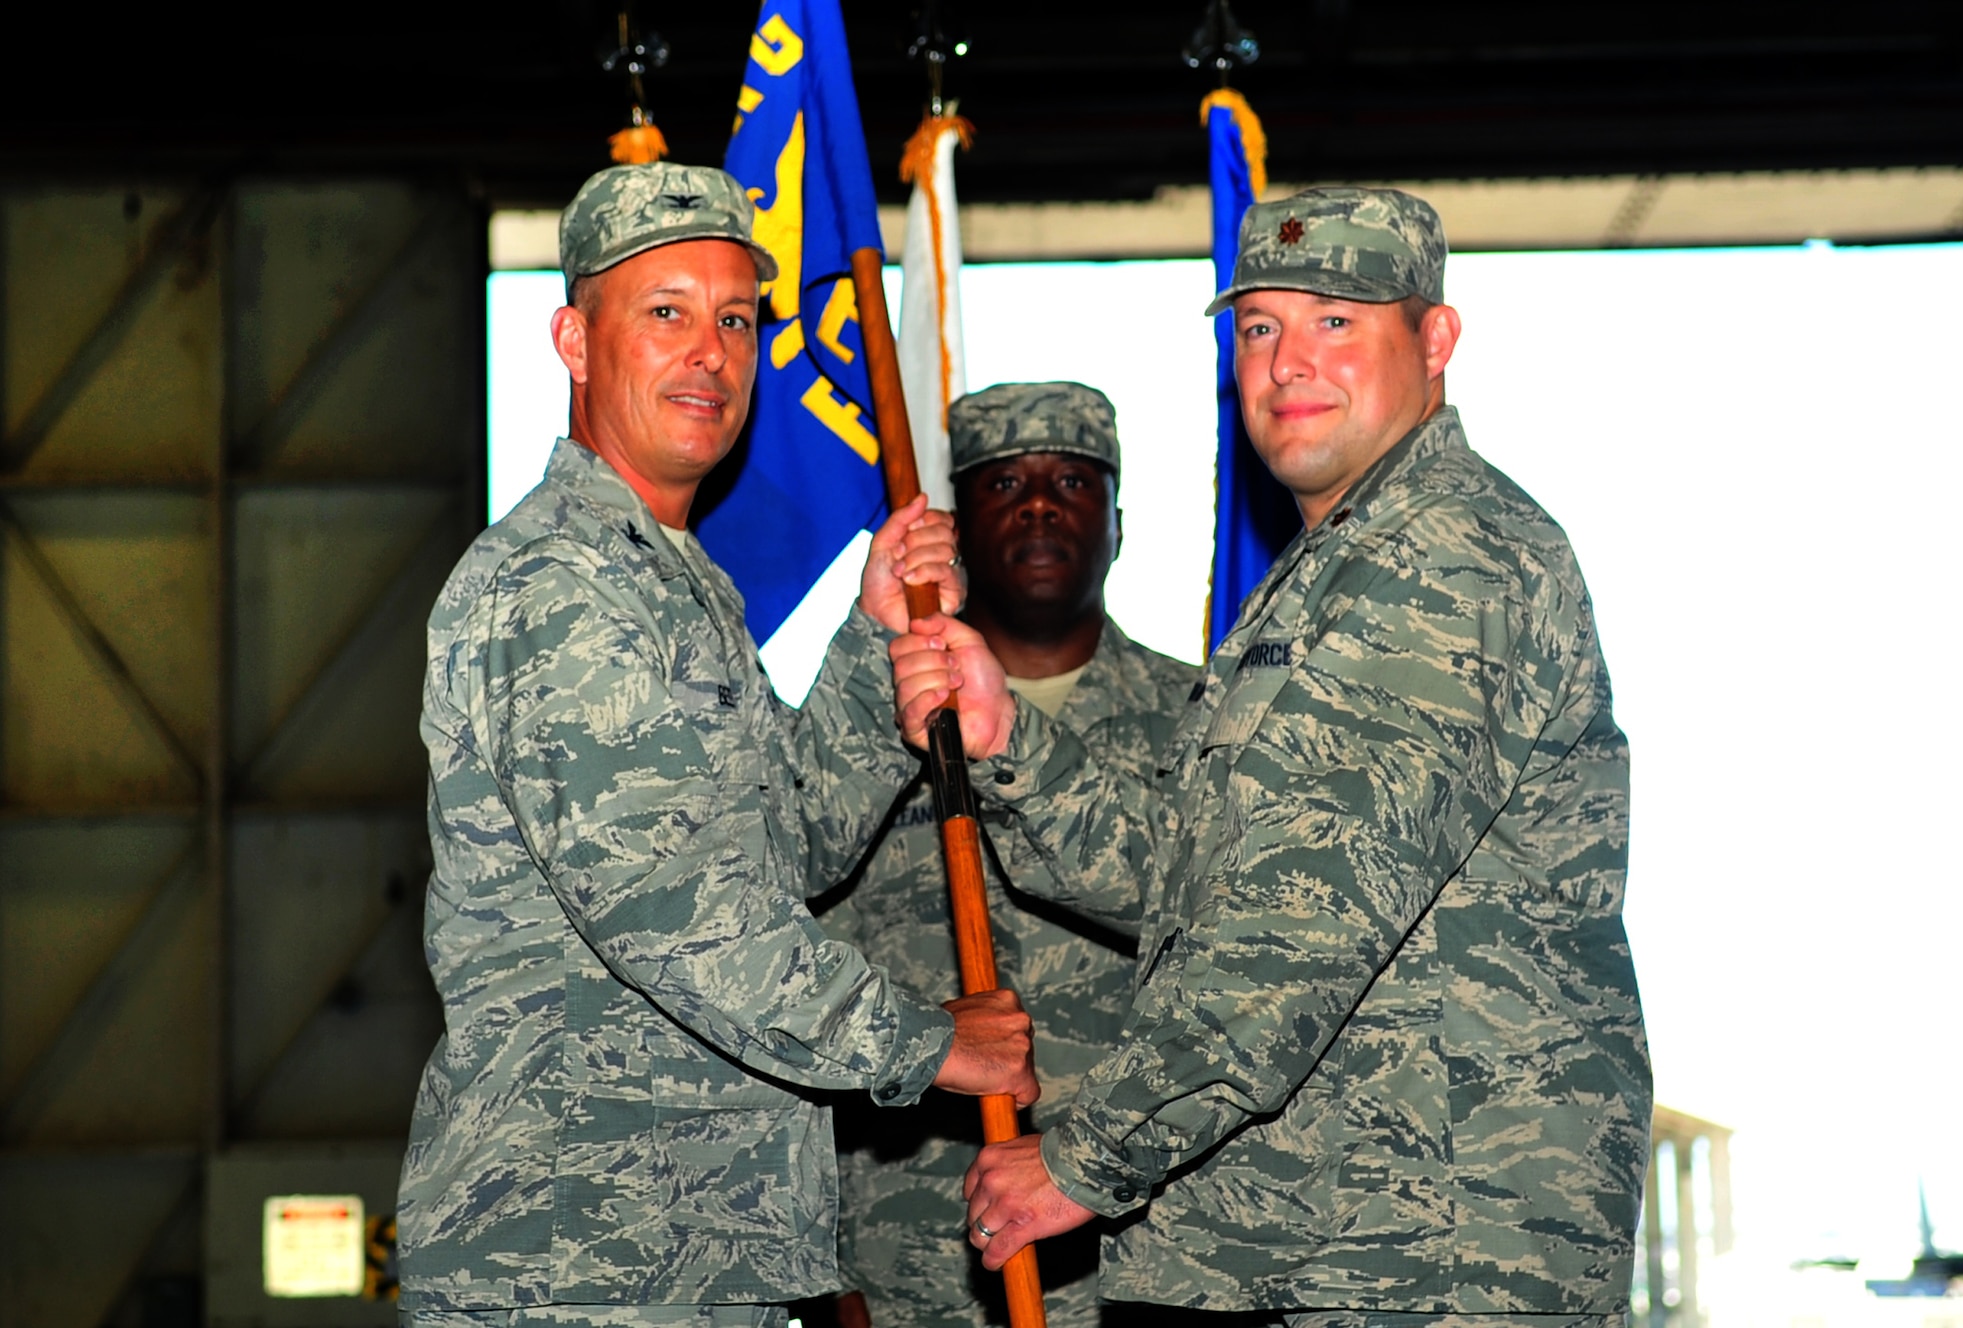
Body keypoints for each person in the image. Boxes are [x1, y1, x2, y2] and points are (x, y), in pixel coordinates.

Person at [888, 187, 1652, 1326]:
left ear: (1433, 340)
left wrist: (1084, 1158)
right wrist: (1009, 747)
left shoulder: (1445, 557)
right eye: (1258, 329)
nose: (1288, 363)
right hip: (1335, 1233)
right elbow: (1207, 880)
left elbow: (1299, 922)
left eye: (1335, 322)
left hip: (1434, 1245)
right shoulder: (1335, 566)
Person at [397, 162, 1039, 1328]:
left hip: (686, 1257)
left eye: (736, 319)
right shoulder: (562, 583)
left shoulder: (672, 580)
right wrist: (927, 1045)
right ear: (573, 338)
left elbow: (783, 848)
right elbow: (682, 918)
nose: (712, 352)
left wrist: (870, 634)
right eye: (666, 312)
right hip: (575, 1258)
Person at [819, 384, 1200, 1328]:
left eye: (1072, 481)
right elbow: (805, 981)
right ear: (954, 528)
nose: (1037, 503)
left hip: (1143, 1266)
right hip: (912, 1269)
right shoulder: (875, 728)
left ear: (1118, 525)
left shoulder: (1209, 725)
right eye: (1003, 485)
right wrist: (827, 1268)